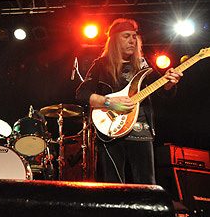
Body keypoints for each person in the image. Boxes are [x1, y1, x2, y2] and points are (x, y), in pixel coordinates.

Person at [76, 18, 182, 184]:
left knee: (146, 184)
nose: (132, 40)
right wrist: (109, 103)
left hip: (141, 130)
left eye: (134, 36)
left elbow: (164, 94)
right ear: (115, 40)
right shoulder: (101, 65)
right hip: (110, 130)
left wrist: (169, 84)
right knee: (112, 184)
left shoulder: (144, 65)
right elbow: (82, 93)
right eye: (126, 36)